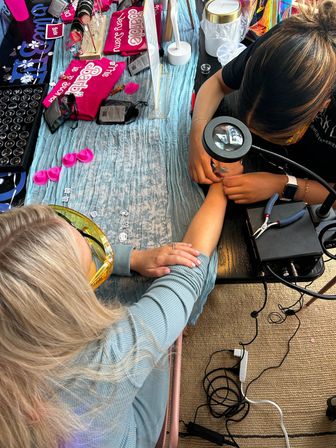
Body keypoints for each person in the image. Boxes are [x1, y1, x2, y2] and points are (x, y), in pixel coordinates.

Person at [0, 182, 226, 448]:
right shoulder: (113, 355)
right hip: (133, 431)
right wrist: (221, 190)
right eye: (92, 265)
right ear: (72, 300)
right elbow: (189, 270)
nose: (92, 246)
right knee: (159, 346)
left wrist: (131, 259)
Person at [189, 0, 336, 205]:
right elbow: (217, 83)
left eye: (280, 136)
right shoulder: (283, 42)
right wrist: (198, 135)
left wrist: (286, 186)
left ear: (323, 105)